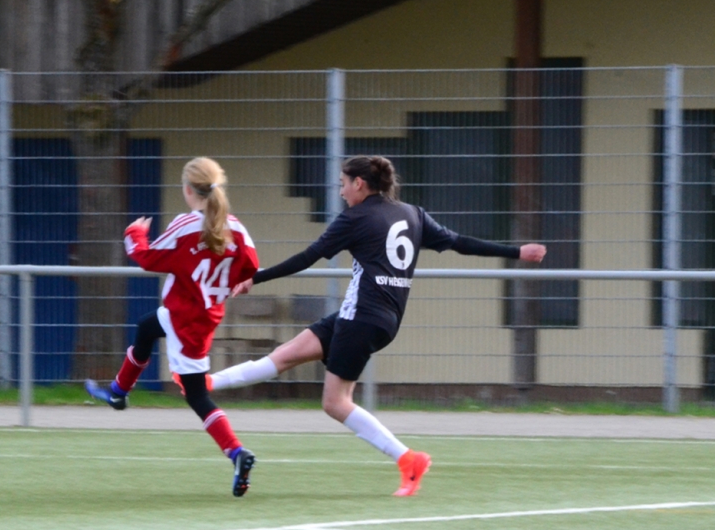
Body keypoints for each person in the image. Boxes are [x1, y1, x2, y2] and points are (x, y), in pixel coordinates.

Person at [191, 155, 547, 497]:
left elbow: (308, 257)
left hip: (360, 317)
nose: (341, 192)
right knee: (286, 355)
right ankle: (203, 383)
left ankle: (408, 459)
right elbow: (460, 243)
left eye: (343, 184)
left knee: (335, 402)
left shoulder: (356, 217)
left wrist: (255, 277)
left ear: (360, 184)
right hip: (380, 318)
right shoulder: (413, 214)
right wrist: (517, 252)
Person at [85, 157, 261, 497]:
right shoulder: (236, 227)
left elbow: (147, 257)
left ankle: (237, 452)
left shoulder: (186, 225)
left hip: (185, 320)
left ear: (188, 190)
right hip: (202, 314)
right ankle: (118, 392)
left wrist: (134, 233)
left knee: (196, 396)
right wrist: (236, 280)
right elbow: (251, 264)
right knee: (147, 327)